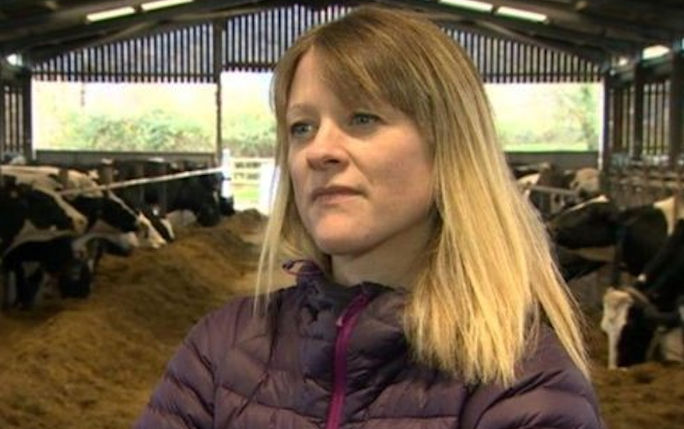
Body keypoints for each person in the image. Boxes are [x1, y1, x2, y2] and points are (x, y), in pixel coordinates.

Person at [134, 6, 604, 429]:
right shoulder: (222, 346)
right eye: (303, 128)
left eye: (362, 118)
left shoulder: (520, 379)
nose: (319, 150)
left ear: (448, 145)